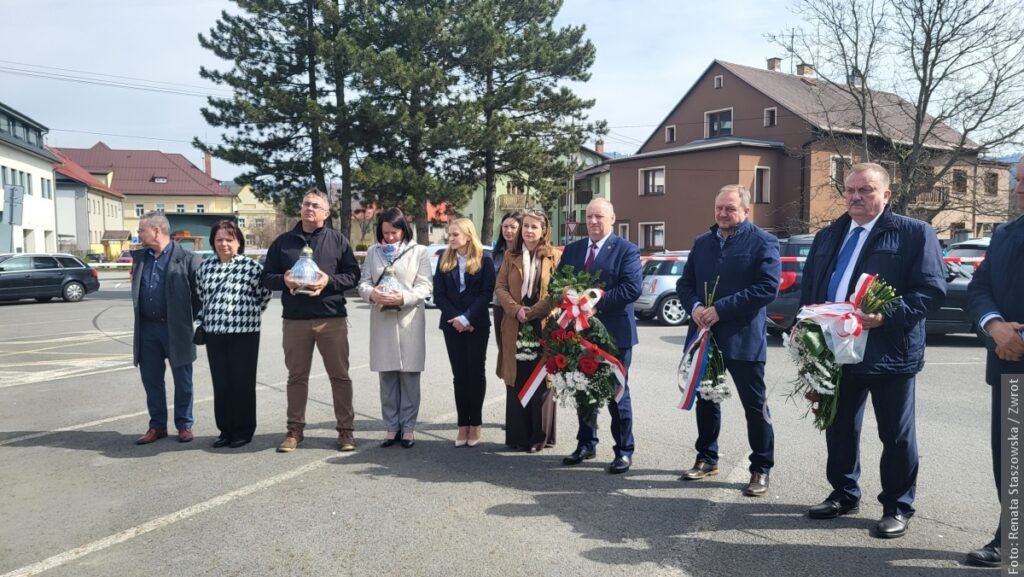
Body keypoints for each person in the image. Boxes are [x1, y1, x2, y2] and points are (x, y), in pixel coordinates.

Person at [800, 162, 945, 538]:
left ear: (886, 195)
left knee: (895, 435)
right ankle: (843, 493)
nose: (856, 196)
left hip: (889, 350)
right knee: (839, 426)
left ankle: (897, 505)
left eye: (865, 189)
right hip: (836, 348)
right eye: (850, 189)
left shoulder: (914, 233)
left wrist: (885, 315)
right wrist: (808, 330)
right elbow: (813, 286)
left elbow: (930, 292)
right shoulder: (830, 234)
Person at [676, 185, 781, 497]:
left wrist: (721, 309)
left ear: (746, 211)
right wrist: (695, 307)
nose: (723, 214)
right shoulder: (702, 242)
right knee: (707, 399)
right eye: (719, 208)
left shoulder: (764, 241)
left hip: (743, 339)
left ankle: (760, 467)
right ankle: (707, 458)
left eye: (730, 209)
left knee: (754, 406)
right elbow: (685, 283)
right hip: (705, 337)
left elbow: (767, 288)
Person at [261, 189, 362, 453]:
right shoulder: (283, 242)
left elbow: (353, 275)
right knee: (297, 377)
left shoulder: (337, 241)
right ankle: (295, 430)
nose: (309, 208)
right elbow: (266, 277)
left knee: (340, 376)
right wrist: (283, 280)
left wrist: (329, 281)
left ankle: (345, 430)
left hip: (331, 319)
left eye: (316, 205)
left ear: (326, 213)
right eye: (306, 203)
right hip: (296, 320)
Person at [965, 157, 1024, 567]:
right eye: (1019, 181)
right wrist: (995, 326)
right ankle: (1011, 538)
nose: (1019, 189)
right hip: (1008, 368)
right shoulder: (1005, 234)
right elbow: (980, 286)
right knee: (1012, 459)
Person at [558, 198, 642, 474]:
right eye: (590, 216)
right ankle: (586, 443)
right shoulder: (573, 250)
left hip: (615, 334)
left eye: (599, 216)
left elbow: (631, 289)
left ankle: (624, 450)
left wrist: (596, 305)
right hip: (580, 334)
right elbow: (559, 283)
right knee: (583, 388)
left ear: (612, 219)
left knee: (617, 394)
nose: (593, 221)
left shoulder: (626, 250)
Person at [357, 207, 432, 449]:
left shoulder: (419, 252)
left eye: (394, 232)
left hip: (409, 319)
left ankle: (408, 428)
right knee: (387, 377)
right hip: (382, 321)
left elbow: (424, 286)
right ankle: (391, 427)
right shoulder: (373, 252)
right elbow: (364, 283)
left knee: (410, 377)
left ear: (404, 230)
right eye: (385, 232)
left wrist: (402, 298)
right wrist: (372, 294)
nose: (389, 237)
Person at [196, 220, 272, 449]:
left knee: (243, 383)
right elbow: (202, 297)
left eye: (229, 239)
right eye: (219, 240)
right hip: (215, 333)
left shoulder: (252, 268)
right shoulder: (205, 268)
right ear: (213, 243)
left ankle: (243, 430)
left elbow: (263, 297)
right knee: (221, 384)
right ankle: (225, 430)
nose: (224, 244)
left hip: (245, 333)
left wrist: (245, 314)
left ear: (238, 242)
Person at [130, 211, 202, 445]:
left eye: (142, 230)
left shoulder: (188, 258)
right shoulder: (141, 258)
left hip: (176, 329)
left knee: (183, 380)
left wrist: (196, 322)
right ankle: (157, 426)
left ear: (156, 231)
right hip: (147, 329)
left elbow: (200, 296)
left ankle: (184, 425)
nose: (139, 234)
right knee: (151, 380)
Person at [495, 209, 560, 452]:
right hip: (514, 322)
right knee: (517, 376)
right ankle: (518, 435)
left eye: (534, 227)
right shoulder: (510, 255)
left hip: (542, 324)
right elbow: (500, 286)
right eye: (526, 227)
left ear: (544, 230)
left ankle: (539, 436)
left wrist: (532, 312)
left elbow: (557, 292)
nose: (529, 231)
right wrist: (515, 309)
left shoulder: (553, 256)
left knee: (541, 380)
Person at [433, 217, 496, 447]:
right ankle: (463, 425)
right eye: (449, 235)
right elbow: (438, 295)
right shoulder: (444, 259)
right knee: (459, 375)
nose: (450, 239)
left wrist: (467, 317)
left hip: (476, 324)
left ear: (468, 236)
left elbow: (485, 294)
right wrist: (457, 318)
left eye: (455, 235)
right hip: (452, 325)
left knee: (475, 374)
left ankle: (475, 424)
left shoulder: (484, 260)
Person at [492, 211, 523, 354]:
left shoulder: (526, 253)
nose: (508, 231)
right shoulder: (496, 253)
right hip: (500, 306)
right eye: (505, 227)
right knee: (504, 351)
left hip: (520, 307)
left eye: (513, 227)